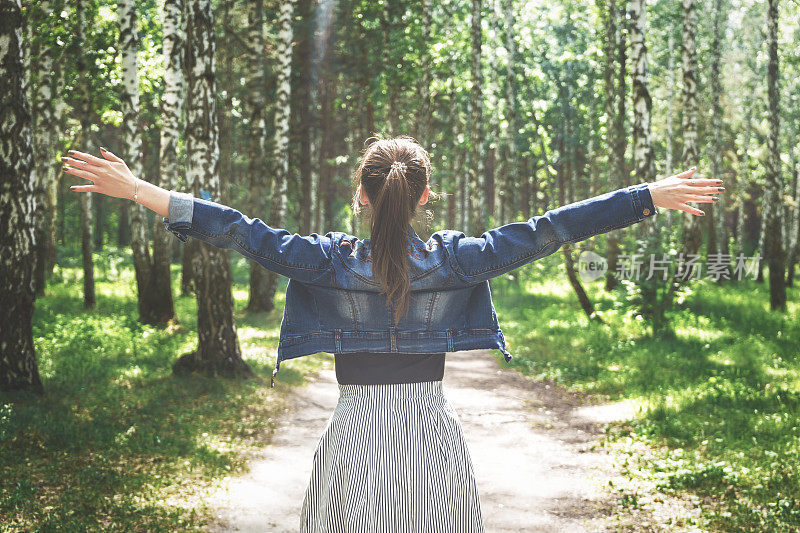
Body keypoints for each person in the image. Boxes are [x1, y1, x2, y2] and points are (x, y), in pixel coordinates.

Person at [63, 135, 722, 532]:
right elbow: (552, 227)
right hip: (429, 432)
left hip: (357, 433)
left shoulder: (326, 259)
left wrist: (139, 189)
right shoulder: (460, 258)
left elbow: (238, 229)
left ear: (361, 194)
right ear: (424, 197)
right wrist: (645, 196)